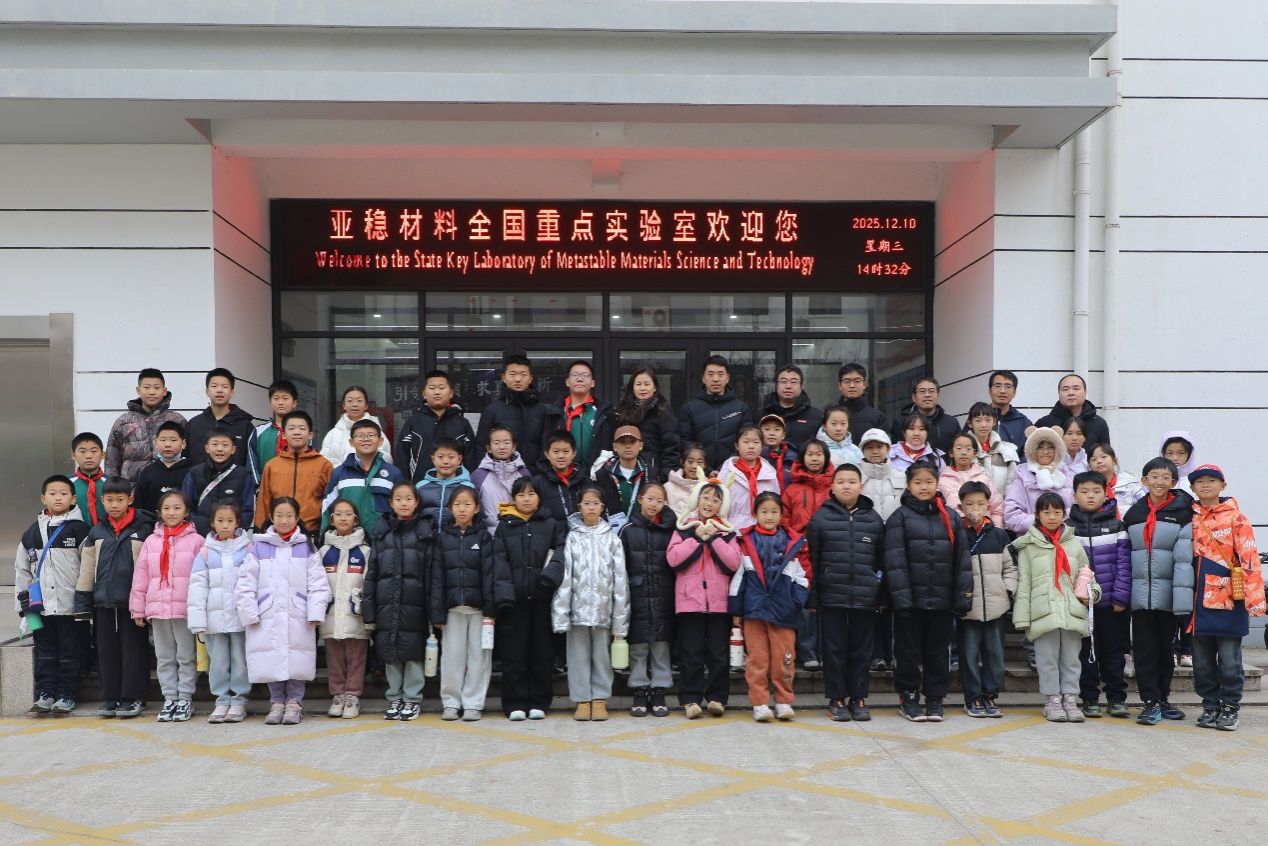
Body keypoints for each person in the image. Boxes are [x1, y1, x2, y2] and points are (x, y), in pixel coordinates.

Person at [883, 461, 972, 722]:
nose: (924, 487)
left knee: (938, 653)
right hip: (910, 602)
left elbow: (962, 560)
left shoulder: (950, 517)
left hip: (942, 600)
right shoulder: (899, 518)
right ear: (909, 486)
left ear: (937, 484)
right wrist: (901, 599)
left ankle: (935, 698)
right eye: (918, 482)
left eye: (929, 482)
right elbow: (894, 561)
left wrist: (962, 596)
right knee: (907, 653)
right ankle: (909, 697)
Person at [237, 496, 330, 726]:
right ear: (271, 517)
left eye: (289, 515)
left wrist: (315, 611)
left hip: (298, 613)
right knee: (272, 655)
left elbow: (318, 583)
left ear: (297, 518)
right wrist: (249, 612)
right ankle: (277, 701)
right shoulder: (259, 547)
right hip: (267, 612)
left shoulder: (306, 547)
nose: (284, 520)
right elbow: (245, 582)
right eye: (279, 515)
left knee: (297, 657)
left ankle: (295, 702)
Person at [1187, 464, 1266, 731]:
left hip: (1230, 598)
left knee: (1230, 661)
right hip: (1196, 600)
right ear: (1192, 487)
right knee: (1201, 662)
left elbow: (1250, 559)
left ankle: (1230, 706)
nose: (1206, 485)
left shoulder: (1237, 518)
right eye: (1200, 481)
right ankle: (1210, 705)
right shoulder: (1189, 517)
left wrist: (1256, 601)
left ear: (1223, 485)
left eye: (1212, 480)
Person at [805, 464, 885, 722]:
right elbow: (813, 561)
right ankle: (836, 698)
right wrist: (814, 597)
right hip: (832, 595)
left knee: (861, 651)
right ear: (832, 486)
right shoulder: (820, 519)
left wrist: (880, 592)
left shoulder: (873, 520)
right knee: (833, 650)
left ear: (861, 486)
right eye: (841, 481)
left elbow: (882, 561)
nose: (846, 486)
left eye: (852, 481)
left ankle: (858, 698)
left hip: (865, 595)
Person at [1011, 492, 1098, 723]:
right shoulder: (1028, 546)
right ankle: (1052, 700)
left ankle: (1070, 699)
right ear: (1037, 515)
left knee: (1071, 659)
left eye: (1057, 512)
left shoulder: (1074, 544)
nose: (1052, 517)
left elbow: (1087, 575)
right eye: (1046, 512)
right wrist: (1023, 618)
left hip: (1071, 609)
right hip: (1043, 610)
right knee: (1046, 659)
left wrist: (1093, 593)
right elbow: (1024, 583)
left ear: (1064, 514)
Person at [1123, 457, 1194, 726]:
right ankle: (1149, 701)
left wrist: (1182, 599)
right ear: (1144, 481)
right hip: (1139, 595)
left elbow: (1184, 560)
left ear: (1174, 482)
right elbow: (1126, 556)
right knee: (1144, 650)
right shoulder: (1134, 514)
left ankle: (1163, 698)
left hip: (1168, 595)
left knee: (1166, 649)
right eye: (1154, 476)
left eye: (1166, 477)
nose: (1159, 482)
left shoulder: (1183, 513)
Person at [430, 486, 511, 722]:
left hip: (479, 611)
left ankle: (474, 703)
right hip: (452, 609)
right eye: (457, 504)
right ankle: (451, 702)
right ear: (450, 508)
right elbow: (436, 578)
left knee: (479, 657)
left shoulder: (484, 538)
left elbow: (491, 575)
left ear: (476, 508)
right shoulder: (442, 538)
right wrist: (437, 613)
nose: (462, 509)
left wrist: (490, 610)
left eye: (467, 504)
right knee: (452, 657)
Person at [74, 477, 153, 718]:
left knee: (134, 651)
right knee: (106, 651)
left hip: (133, 604)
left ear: (130, 499)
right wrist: (83, 603)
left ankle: (133, 696)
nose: (115, 505)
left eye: (120, 499)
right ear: (102, 501)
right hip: (104, 602)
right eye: (109, 500)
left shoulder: (144, 529)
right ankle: (111, 697)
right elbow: (87, 571)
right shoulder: (97, 532)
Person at [668, 476, 741, 718]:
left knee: (719, 654)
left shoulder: (727, 532)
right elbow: (673, 559)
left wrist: (715, 538)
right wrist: (697, 538)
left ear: (722, 505)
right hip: (690, 602)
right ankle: (690, 699)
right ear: (697, 499)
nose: (709, 503)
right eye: (706, 497)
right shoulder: (684, 528)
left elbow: (733, 562)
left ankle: (717, 698)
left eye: (716, 500)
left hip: (719, 603)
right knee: (691, 653)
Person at [554, 485, 629, 721]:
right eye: (586, 503)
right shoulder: (572, 538)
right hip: (577, 610)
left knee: (601, 657)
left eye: (595, 504)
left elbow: (621, 581)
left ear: (602, 507)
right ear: (580, 507)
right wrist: (561, 613)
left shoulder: (612, 540)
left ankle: (600, 699)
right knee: (577, 656)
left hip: (604, 611)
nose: (591, 508)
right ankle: (582, 699)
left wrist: (620, 620)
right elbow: (565, 578)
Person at [17, 475, 91, 716]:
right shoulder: (31, 533)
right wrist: (23, 607)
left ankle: (67, 694)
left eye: (63, 493)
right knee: (45, 652)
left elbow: (90, 567)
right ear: (43, 498)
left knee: (71, 651)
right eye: (52, 493)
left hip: (70, 607)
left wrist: (86, 601)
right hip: (39, 607)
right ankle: (45, 693)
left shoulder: (80, 530)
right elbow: (22, 570)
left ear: (73, 499)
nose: (58, 498)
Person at [494, 478, 566, 720]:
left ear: (539, 497)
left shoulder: (551, 524)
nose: (526, 499)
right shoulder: (505, 525)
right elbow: (499, 561)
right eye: (521, 494)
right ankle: (515, 702)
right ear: (514, 498)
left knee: (541, 652)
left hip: (542, 598)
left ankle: (539, 701)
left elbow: (560, 554)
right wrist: (505, 593)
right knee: (514, 653)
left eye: (531, 494)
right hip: (514, 600)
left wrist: (548, 581)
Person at [732, 492, 807, 722]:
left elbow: (802, 577)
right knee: (757, 660)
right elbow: (738, 579)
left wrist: (796, 601)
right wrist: (736, 611)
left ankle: (784, 701)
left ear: (781, 515)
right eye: (764, 511)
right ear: (755, 514)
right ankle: (760, 703)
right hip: (754, 611)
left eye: (774, 511)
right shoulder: (745, 541)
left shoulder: (791, 542)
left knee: (785, 659)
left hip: (784, 611)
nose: (769, 516)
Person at [129, 489, 204, 722]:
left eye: (177, 508)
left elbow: (203, 577)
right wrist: (137, 607)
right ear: (159, 512)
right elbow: (141, 575)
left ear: (186, 512)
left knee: (186, 656)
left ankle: (185, 699)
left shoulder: (197, 541)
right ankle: (170, 698)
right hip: (158, 608)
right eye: (167, 508)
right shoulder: (151, 541)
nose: (172, 512)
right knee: (164, 656)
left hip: (184, 609)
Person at [364, 483, 434, 722]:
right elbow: (372, 572)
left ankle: (412, 698)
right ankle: (394, 696)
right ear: (391, 503)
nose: (404, 503)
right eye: (398, 499)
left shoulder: (425, 532)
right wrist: (369, 609)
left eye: (408, 499)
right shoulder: (382, 532)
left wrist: (433, 609)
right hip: (386, 603)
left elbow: (431, 573)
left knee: (413, 653)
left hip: (416, 605)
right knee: (390, 652)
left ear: (417, 502)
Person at [1066, 471, 1132, 719]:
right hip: (1080, 605)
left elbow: (1124, 564)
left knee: (1112, 651)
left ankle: (1116, 697)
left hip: (1110, 604)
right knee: (1085, 653)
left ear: (1106, 494)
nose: (1090, 496)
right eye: (1084, 491)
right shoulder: (1067, 528)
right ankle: (1090, 698)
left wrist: (1120, 597)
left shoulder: (1116, 526)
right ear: (1074, 495)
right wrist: (1073, 599)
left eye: (1096, 491)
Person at [186, 502, 252, 724]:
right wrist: (197, 621)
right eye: (220, 521)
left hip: (240, 618)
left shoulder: (248, 550)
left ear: (237, 523)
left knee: (240, 659)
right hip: (214, 619)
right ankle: (222, 699)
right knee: (218, 661)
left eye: (230, 521)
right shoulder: (205, 553)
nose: (225, 525)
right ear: (212, 523)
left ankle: (239, 700)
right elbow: (197, 587)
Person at [956, 482, 1016, 718]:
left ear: (988, 506)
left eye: (980, 503)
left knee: (995, 656)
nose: (975, 508)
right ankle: (972, 698)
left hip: (996, 606)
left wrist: (1007, 591)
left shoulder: (999, 535)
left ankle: (989, 695)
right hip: (967, 607)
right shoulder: (957, 534)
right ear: (961, 506)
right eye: (969, 504)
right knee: (969, 656)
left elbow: (1010, 568)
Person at [619, 483, 678, 718]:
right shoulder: (627, 530)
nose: (654, 504)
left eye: (659, 500)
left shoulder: (671, 529)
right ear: (640, 499)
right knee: (639, 645)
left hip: (664, 593)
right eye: (650, 499)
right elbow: (620, 567)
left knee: (661, 644)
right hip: (637, 594)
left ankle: (660, 689)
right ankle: (640, 689)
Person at [319, 498, 372, 720]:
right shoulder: (323, 551)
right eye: (338, 514)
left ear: (356, 519)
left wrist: (364, 608)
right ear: (331, 519)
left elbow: (369, 582)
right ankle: (338, 695)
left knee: (356, 658)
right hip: (331, 615)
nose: (343, 518)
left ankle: (352, 696)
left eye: (348, 514)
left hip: (355, 615)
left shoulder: (365, 551)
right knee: (334, 659)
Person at [781, 440, 833, 670]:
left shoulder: (834, 486)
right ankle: (808, 652)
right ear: (802, 458)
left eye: (819, 454)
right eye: (810, 454)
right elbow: (784, 520)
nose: (814, 458)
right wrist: (796, 541)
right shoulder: (792, 489)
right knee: (805, 601)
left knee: (829, 600)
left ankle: (827, 651)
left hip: (830, 549)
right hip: (801, 552)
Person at [858, 427, 904, 672]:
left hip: (895, 548)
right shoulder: (856, 476)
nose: (875, 451)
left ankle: (894, 653)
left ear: (888, 448)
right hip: (866, 548)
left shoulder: (901, 476)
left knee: (894, 602)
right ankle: (875, 654)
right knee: (871, 602)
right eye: (870, 447)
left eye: (879, 446)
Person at [254, 410, 331, 535]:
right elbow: (264, 502)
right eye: (291, 428)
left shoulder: (324, 465)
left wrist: (325, 532)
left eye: (302, 428)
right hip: (278, 534)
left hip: (312, 534)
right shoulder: (272, 465)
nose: (296, 432)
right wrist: (259, 531)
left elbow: (330, 502)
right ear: (284, 435)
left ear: (310, 435)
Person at [321, 418, 403, 534]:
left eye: (371, 435)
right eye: (360, 436)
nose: (366, 439)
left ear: (380, 441)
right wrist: (325, 536)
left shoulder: (393, 473)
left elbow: (403, 508)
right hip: (347, 539)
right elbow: (327, 508)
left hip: (383, 539)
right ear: (351, 442)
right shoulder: (339, 473)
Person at [106, 368, 188, 482]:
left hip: (170, 486)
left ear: (164, 391)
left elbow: (189, 455)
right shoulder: (123, 422)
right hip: (132, 489)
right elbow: (112, 460)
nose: (152, 392)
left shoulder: (177, 420)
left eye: (156, 388)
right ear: (138, 390)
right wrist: (113, 486)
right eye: (147, 387)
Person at [395, 370, 478, 481]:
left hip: (456, 488)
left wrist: (468, 485)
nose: (437, 392)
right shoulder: (413, 422)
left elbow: (470, 459)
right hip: (420, 487)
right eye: (432, 388)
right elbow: (402, 458)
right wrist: (405, 486)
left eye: (441, 388)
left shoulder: (462, 423)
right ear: (424, 394)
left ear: (451, 393)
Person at [678, 355, 756, 471]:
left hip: (733, 471)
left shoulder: (741, 408)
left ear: (727, 378)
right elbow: (685, 442)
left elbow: (746, 442)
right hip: (698, 473)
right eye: (710, 374)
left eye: (720, 374)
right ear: (703, 378)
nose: (715, 379)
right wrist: (707, 470)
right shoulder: (689, 408)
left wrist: (724, 468)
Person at [476, 353, 549, 469]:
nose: (518, 379)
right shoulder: (493, 409)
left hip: (533, 475)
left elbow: (546, 447)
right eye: (512, 374)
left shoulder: (541, 409)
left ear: (530, 378)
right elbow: (481, 446)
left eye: (523, 374)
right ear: (503, 378)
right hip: (499, 474)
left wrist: (541, 474)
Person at [542, 360, 615, 475]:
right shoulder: (555, 412)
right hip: (562, 475)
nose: (580, 379)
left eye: (585, 375)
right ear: (567, 382)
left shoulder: (605, 413)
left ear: (592, 383)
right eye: (575, 375)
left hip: (596, 475)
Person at [182, 425, 256, 533]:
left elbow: (247, 510)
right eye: (215, 444)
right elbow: (186, 508)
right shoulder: (194, 473)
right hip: (199, 535)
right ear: (207, 448)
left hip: (232, 537)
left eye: (225, 445)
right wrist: (197, 530)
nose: (219, 449)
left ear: (233, 449)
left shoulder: (243, 475)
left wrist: (235, 534)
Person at [613, 367, 681, 483]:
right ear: (632, 388)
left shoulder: (663, 412)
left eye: (647, 384)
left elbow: (671, 448)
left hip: (654, 474)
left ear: (654, 388)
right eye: (638, 384)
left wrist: (664, 476)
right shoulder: (622, 411)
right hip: (626, 472)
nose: (643, 388)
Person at [1004, 427, 1073, 535]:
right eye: (1040, 448)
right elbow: (1011, 515)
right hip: (1031, 539)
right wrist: (1042, 521)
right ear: (1032, 450)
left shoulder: (1066, 474)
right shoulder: (1022, 476)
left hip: (1064, 537)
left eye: (1051, 447)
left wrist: (1059, 519)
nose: (1045, 452)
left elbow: (1076, 508)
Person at [185, 368, 256, 466]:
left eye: (225, 387)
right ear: (207, 391)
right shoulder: (194, 424)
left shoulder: (245, 425)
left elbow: (252, 461)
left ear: (232, 392)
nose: (219, 390)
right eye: (214, 386)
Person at [717, 426, 779, 531]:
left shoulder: (770, 474)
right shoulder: (726, 473)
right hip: (733, 531)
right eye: (746, 442)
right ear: (737, 446)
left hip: (763, 532)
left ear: (762, 446)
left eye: (756, 442)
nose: (751, 446)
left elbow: (776, 504)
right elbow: (718, 504)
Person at [1034, 374, 1111, 457]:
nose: (1071, 393)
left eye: (1076, 388)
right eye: (1065, 389)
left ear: (1085, 392)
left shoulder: (1099, 424)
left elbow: (1105, 457)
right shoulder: (1044, 424)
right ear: (1059, 393)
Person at [473, 426, 532, 532]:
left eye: (506, 442)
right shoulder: (479, 475)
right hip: (489, 533)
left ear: (514, 447)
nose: (502, 447)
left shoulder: (523, 473)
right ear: (489, 448)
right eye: (496, 443)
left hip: (519, 531)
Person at [319, 385, 393, 468]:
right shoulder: (333, 434)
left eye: (359, 401)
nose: (354, 404)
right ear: (344, 405)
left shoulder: (377, 433)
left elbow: (385, 460)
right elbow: (324, 463)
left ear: (366, 405)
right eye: (350, 401)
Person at [939, 433, 1003, 527]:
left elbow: (997, 510)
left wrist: (994, 531)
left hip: (983, 531)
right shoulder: (942, 482)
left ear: (974, 453)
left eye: (968, 449)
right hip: (954, 532)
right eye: (959, 448)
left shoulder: (984, 479)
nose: (963, 452)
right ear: (951, 453)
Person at [593, 425, 651, 527]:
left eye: (632, 442)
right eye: (623, 442)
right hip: (611, 530)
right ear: (615, 447)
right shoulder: (602, 474)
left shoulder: (650, 473)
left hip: (643, 529)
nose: (628, 446)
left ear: (641, 445)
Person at [132, 421, 194, 515]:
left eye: (173, 440)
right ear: (156, 443)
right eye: (163, 440)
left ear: (183, 443)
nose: (167, 444)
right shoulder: (148, 472)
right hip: (151, 523)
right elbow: (139, 507)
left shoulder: (192, 471)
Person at [416, 436, 475, 531]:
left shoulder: (468, 487)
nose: (446, 461)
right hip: (426, 538)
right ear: (433, 459)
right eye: (440, 457)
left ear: (459, 459)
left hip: (456, 538)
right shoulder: (421, 487)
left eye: (451, 457)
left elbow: (475, 519)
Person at [247, 379, 299, 484]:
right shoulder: (258, 432)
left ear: (294, 403)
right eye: (276, 398)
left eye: (285, 398)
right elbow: (252, 464)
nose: (280, 402)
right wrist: (259, 488)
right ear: (270, 403)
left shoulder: (302, 432)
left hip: (296, 487)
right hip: (265, 487)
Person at [891, 377, 959, 455]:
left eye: (931, 391)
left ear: (938, 396)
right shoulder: (901, 423)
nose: (927, 395)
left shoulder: (951, 423)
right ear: (914, 397)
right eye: (922, 391)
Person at [965, 402, 1018, 498]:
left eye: (988, 420)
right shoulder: (964, 451)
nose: (983, 425)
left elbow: (1011, 483)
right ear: (970, 423)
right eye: (978, 420)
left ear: (994, 422)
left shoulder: (1005, 451)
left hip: (1000, 505)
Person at [533, 432, 586, 522]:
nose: (561, 456)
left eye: (566, 451)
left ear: (574, 453)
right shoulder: (537, 483)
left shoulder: (583, 479)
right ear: (547, 454)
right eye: (556, 452)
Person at [832, 363, 889, 445]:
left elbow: (883, 447)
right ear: (839, 386)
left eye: (857, 381)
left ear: (864, 384)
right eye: (847, 381)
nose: (852, 385)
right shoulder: (829, 416)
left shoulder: (877, 417)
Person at [1088, 443, 1145, 519]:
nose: (1099, 461)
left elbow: (1144, 505)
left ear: (1114, 460)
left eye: (1103, 457)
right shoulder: (1087, 487)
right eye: (1094, 459)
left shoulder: (1129, 482)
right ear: (1089, 466)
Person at [987, 370, 1032, 452]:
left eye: (1008, 386)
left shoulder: (1024, 423)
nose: (1002, 391)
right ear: (989, 391)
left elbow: (1028, 454)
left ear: (1014, 392)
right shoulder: (977, 418)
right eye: (997, 386)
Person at [70, 432, 108, 527]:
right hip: (75, 534)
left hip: (107, 534)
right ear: (73, 455)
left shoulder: (111, 483)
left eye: (94, 451)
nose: (88, 456)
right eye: (82, 451)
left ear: (103, 455)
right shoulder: (66, 484)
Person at [666, 443, 707, 518]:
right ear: (682, 462)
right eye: (690, 461)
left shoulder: (709, 489)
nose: (694, 466)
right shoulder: (668, 487)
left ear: (705, 465)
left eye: (699, 462)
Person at [759, 414, 798, 491]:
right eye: (767, 429)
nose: (771, 433)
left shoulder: (793, 458)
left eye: (776, 429)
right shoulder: (755, 457)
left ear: (783, 435)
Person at [817, 405, 863, 471]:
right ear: (824, 426)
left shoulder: (855, 450)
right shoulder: (817, 449)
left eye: (843, 423)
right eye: (833, 424)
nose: (839, 428)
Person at [1159, 431, 1198, 496]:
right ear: (1163, 454)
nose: (1175, 458)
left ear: (1189, 455)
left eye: (1181, 453)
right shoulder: (1155, 479)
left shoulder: (1198, 479)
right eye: (1170, 453)